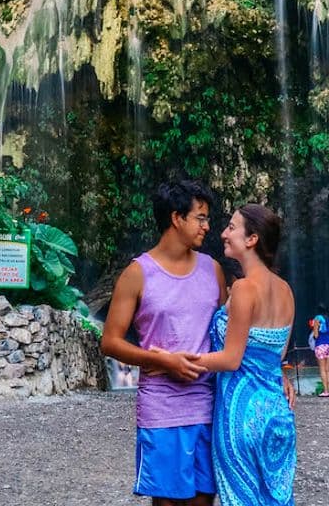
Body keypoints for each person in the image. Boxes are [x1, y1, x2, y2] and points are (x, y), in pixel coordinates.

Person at [101, 179, 227, 506]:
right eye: (200, 217)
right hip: (161, 406)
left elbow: (228, 335)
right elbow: (110, 342)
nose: (207, 226)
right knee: (167, 502)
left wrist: (275, 373)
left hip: (208, 403)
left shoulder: (212, 270)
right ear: (176, 218)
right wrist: (163, 361)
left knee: (203, 499)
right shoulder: (137, 274)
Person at [192, 204, 297, 506]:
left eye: (231, 227)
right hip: (278, 415)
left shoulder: (243, 289)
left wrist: (180, 359)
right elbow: (275, 358)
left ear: (251, 239)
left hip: (242, 417)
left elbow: (230, 359)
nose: (223, 233)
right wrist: (284, 379)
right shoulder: (286, 290)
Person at [312, 304, 329, 396]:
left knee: (322, 369)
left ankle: (325, 391)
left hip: (320, 345)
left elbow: (316, 335)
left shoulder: (317, 318)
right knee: (328, 369)